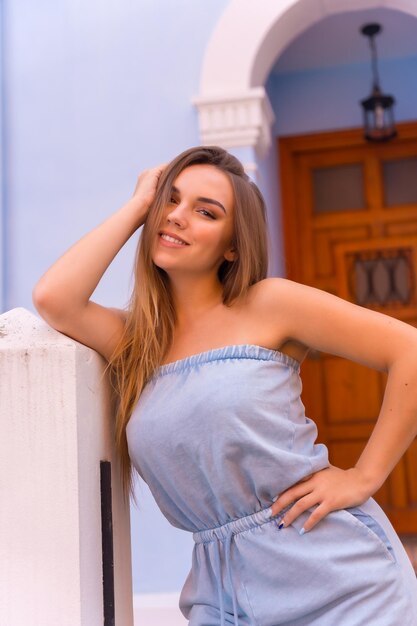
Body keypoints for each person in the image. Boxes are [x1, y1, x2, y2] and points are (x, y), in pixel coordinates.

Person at [33, 145, 417, 626]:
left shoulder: (270, 304)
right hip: (222, 594)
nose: (176, 217)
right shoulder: (140, 342)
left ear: (233, 246)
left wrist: (364, 476)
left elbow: (410, 351)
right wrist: (136, 207)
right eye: (168, 202)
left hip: (338, 583)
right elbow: (55, 298)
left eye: (205, 212)